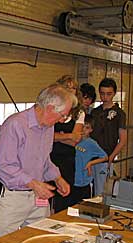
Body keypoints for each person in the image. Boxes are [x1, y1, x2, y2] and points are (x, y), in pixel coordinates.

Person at [0, 84, 77, 239]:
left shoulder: (48, 128)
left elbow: (44, 160)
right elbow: (4, 166)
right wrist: (33, 183)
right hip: (13, 198)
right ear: (50, 108)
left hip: (38, 196)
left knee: (40, 240)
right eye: (63, 115)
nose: (63, 120)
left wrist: (57, 178)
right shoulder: (15, 125)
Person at [50, 75, 85, 213]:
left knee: (63, 197)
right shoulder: (52, 109)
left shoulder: (79, 113)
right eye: (67, 88)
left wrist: (58, 137)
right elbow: (46, 137)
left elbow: (75, 141)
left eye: (74, 88)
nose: (71, 91)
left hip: (67, 160)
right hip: (49, 156)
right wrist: (68, 135)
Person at [90, 78, 127, 196]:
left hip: (105, 157)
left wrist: (111, 157)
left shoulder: (119, 114)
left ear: (114, 93)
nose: (105, 97)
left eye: (109, 94)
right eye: (102, 93)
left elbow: (123, 140)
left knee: (101, 192)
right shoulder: (94, 112)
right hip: (90, 156)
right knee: (89, 189)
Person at [73, 115, 108, 203]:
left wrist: (90, 163)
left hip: (83, 180)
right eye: (82, 126)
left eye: (87, 127)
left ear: (91, 130)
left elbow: (104, 157)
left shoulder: (91, 143)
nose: (84, 129)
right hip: (72, 179)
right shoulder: (72, 140)